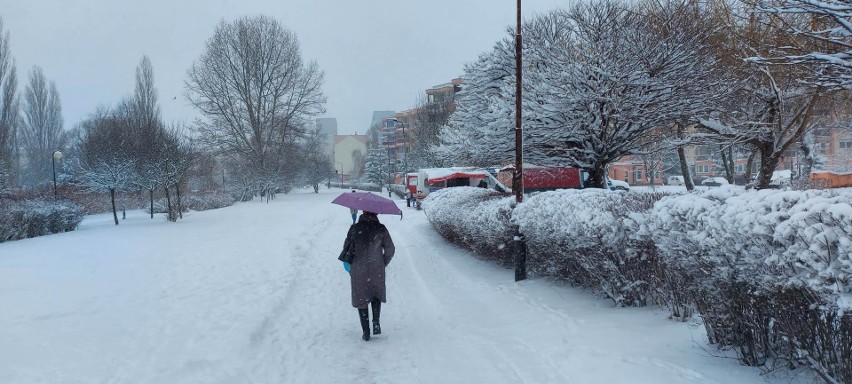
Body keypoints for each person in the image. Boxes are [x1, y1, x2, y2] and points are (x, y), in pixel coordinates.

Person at [339, 211, 395, 341]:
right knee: (376, 293)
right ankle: (376, 322)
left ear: (363, 213)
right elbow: (390, 249)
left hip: (358, 267)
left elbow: (346, 247)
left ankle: (366, 332)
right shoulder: (381, 228)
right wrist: (383, 262)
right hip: (376, 267)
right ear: (376, 213)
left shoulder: (354, 228)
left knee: (361, 297)